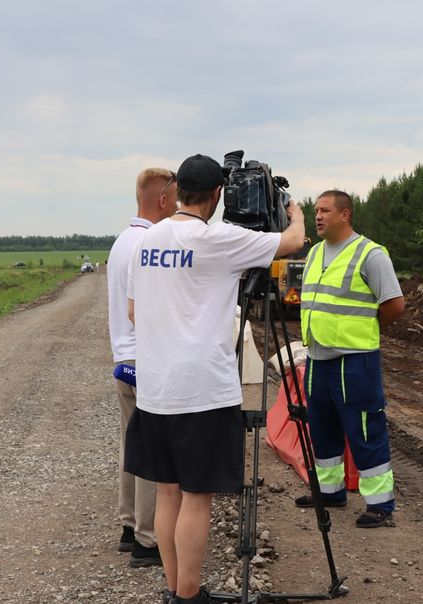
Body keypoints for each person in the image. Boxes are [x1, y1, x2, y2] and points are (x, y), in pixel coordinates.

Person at [125, 154, 305, 604]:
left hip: (154, 389)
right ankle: (189, 596)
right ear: (217, 195)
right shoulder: (219, 239)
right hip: (201, 391)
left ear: (177, 191)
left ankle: (173, 589)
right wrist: (293, 211)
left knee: (168, 494)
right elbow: (293, 241)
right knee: (197, 497)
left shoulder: (146, 242)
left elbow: (133, 310)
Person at [294, 189, 405, 528]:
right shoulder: (314, 253)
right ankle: (330, 491)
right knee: (322, 428)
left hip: (354, 361)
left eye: (325, 210)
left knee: (365, 430)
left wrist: (365, 333)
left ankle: (380, 504)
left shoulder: (369, 254)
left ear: (345, 215)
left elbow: (393, 305)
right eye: (316, 210)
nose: (318, 216)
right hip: (317, 357)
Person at [106, 167, 177, 567]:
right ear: (163, 199)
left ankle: (130, 524)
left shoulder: (122, 241)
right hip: (146, 359)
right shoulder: (151, 243)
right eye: (177, 199)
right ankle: (148, 541)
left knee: (131, 445)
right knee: (154, 450)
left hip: (123, 358)